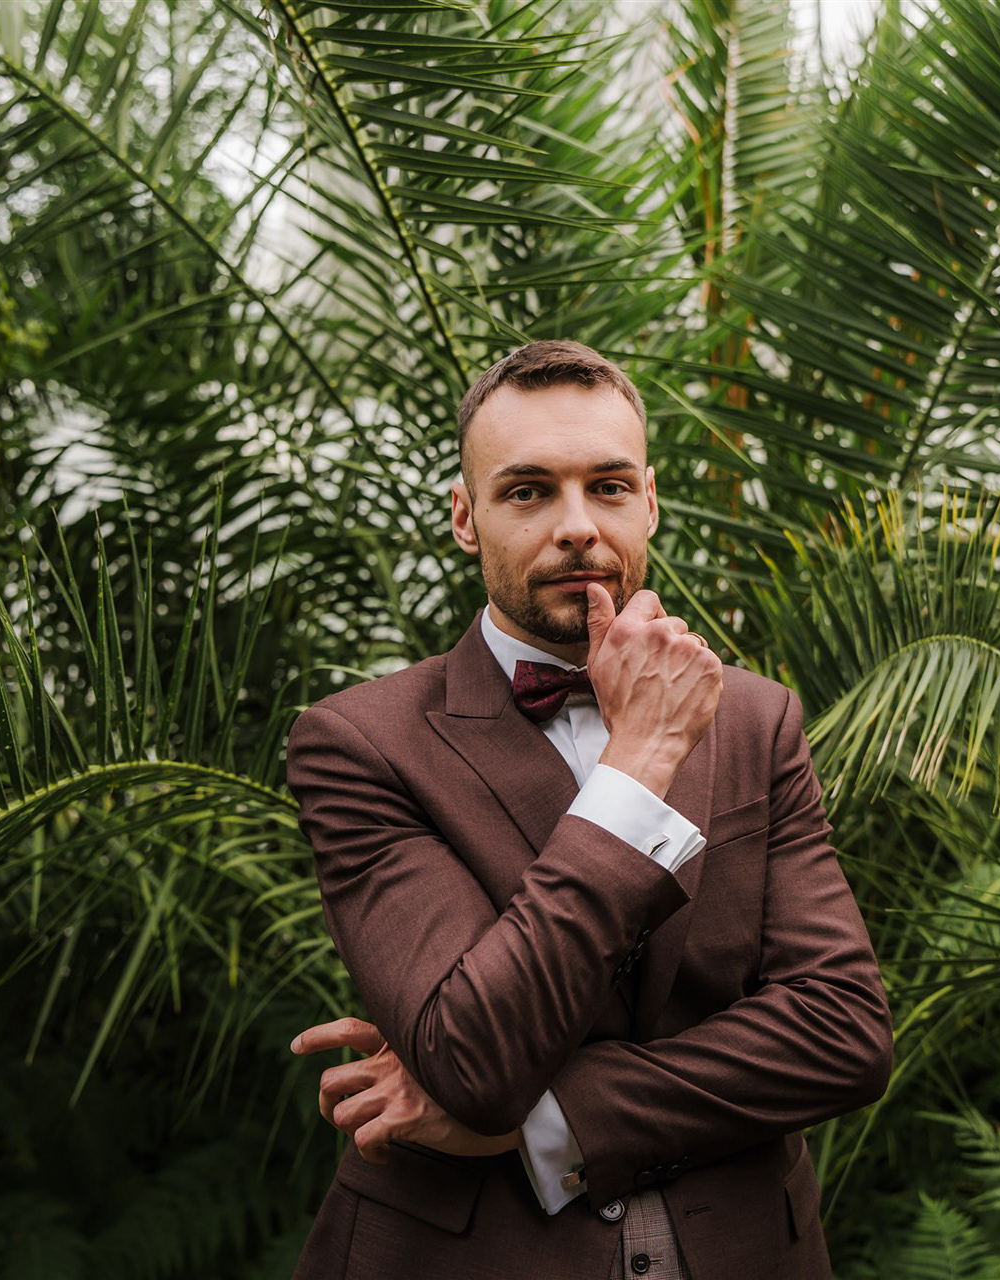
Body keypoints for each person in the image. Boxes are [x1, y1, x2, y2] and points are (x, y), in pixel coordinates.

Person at [283, 339, 893, 1279]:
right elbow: (474, 1061)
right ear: (466, 517)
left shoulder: (758, 718)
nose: (577, 526)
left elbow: (842, 1032)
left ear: (648, 502)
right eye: (528, 492)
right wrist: (640, 759)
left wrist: (554, 1118)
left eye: (606, 487)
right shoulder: (360, 742)